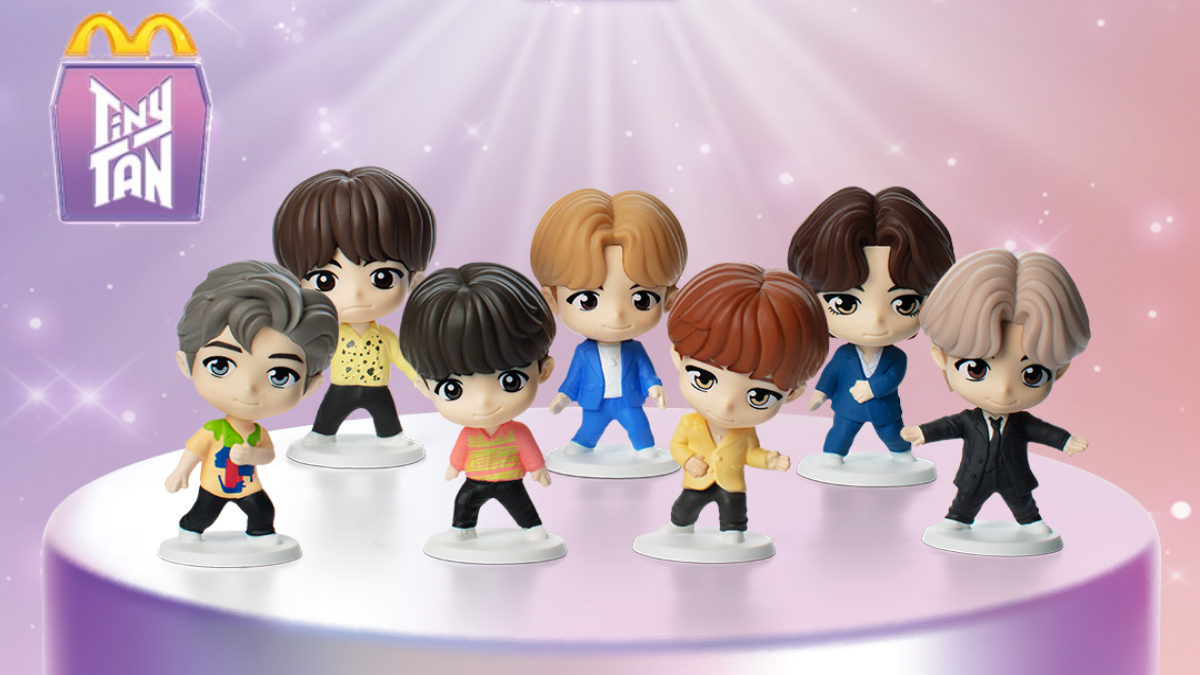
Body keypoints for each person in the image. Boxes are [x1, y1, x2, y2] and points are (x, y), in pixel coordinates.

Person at [900, 249, 1090, 541]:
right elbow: (948, 426)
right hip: (974, 476)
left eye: (1032, 374)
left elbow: (1043, 431)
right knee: (965, 502)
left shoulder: (1022, 423)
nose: (1004, 389)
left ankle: (1031, 522)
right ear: (942, 358)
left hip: (1014, 475)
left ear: (1060, 371)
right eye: (976, 368)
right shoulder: (968, 420)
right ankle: (957, 521)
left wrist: (1065, 441)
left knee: (1022, 503)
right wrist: (923, 432)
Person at [649, 262, 827, 556]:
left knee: (733, 511)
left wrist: (768, 459)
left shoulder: (745, 433)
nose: (727, 404)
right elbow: (677, 446)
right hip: (696, 479)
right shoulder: (690, 424)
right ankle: (680, 526)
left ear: (793, 394)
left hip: (731, 484)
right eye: (704, 379)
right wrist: (688, 459)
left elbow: (749, 454)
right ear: (679, 358)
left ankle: (733, 533)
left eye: (759, 395)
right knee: (685, 507)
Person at [165, 261, 337, 556]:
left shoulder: (258, 433)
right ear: (186, 364)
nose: (247, 389)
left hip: (247, 486)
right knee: (203, 515)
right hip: (214, 485)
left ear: (310, 386)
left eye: (280, 375)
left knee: (263, 511)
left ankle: (261, 534)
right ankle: (189, 529)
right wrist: (181, 472)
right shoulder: (213, 430)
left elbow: (268, 455)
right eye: (220, 365)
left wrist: (253, 455)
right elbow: (194, 451)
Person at [399, 262, 564, 560]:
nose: (485, 403)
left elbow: (528, 450)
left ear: (544, 371)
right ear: (424, 387)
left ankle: (533, 528)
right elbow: (460, 452)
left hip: (510, 479)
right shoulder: (469, 434)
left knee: (521, 505)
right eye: (453, 388)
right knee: (464, 502)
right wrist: (454, 467)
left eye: (510, 381)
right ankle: (461, 530)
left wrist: (537, 468)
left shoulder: (517, 432)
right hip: (475, 479)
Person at [273, 167, 435, 453]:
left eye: (382, 277)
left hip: (377, 387)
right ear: (298, 285)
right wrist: (305, 379)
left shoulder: (385, 338)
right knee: (328, 415)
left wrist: (418, 378)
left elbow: (402, 358)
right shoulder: (329, 337)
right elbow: (313, 358)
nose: (356, 293)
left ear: (414, 281)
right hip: (341, 387)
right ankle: (321, 434)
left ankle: (392, 437)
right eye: (326, 280)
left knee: (386, 417)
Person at [788, 186, 955, 465]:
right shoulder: (844, 355)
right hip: (847, 408)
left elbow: (893, 378)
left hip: (884, 409)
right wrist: (820, 394)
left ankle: (902, 454)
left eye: (905, 303)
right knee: (840, 433)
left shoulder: (896, 357)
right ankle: (832, 455)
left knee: (893, 435)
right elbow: (831, 375)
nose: (877, 319)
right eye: (845, 303)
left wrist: (873, 389)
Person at [529, 189, 687, 462]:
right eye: (587, 300)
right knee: (588, 429)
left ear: (668, 300)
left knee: (639, 427)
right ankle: (581, 445)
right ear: (551, 300)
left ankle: (644, 448)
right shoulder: (583, 352)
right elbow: (574, 378)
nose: (616, 314)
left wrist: (654, 387)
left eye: (641, 299)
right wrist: (563, 396)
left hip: (629, 401)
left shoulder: (635, 350)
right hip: (595, 402)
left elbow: (646, 372)